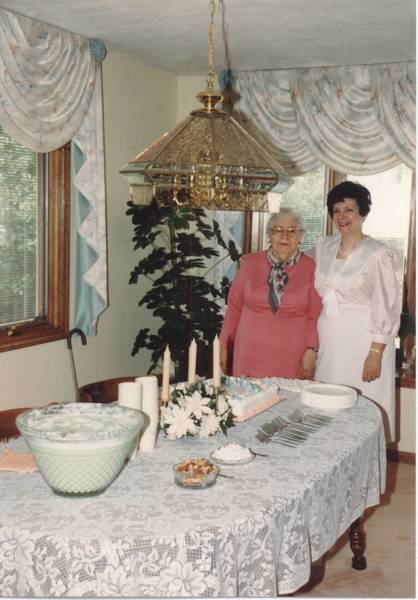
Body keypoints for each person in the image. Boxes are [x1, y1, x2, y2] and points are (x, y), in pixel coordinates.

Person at [313, 181, 400, 441]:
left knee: (364, 407)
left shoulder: (379, 254)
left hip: (365, 342)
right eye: (336, 210)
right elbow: (293, 263)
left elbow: (387, 306)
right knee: (328, 405)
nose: (342, 216)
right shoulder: (323, 247)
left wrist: (375, 353)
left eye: (349, 209)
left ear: (362, 213)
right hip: (330, 339)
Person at [219, 208, 322, 379]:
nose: (284, 236)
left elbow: (315, 315)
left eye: (292, 231)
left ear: (300, 237)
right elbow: (234, 309)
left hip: (292, 354)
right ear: (269, 235)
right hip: (248, 352)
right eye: (278, 230)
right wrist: (224, 346)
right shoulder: (250, 263)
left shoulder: (311, 267)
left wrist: (311, 349)